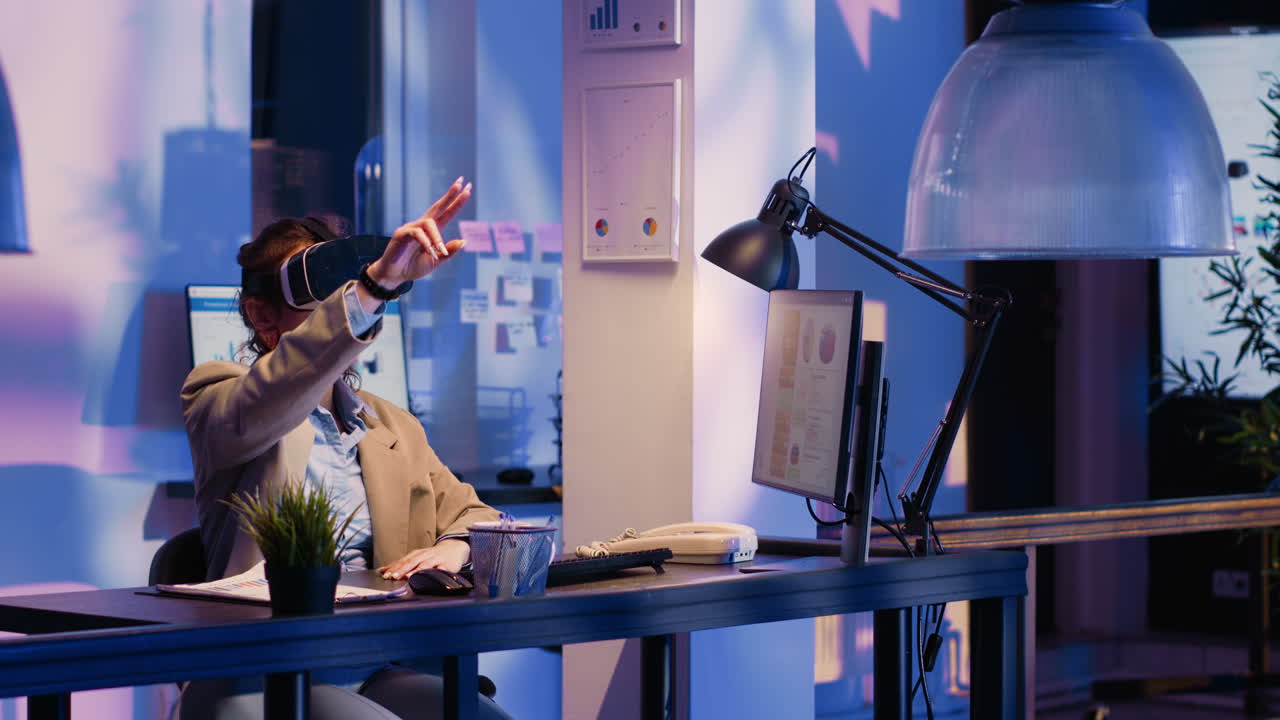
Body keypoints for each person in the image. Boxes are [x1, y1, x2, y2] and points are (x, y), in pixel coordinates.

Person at [178, 178, 513, 720]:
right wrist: (374, 287)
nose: (344, 318)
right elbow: (277, 389)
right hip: (268, 668)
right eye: (326, 304)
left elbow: (476, 514)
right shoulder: (219, 396)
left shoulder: (391, 424)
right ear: (264, 319)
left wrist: (454, 548)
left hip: (372, 658)